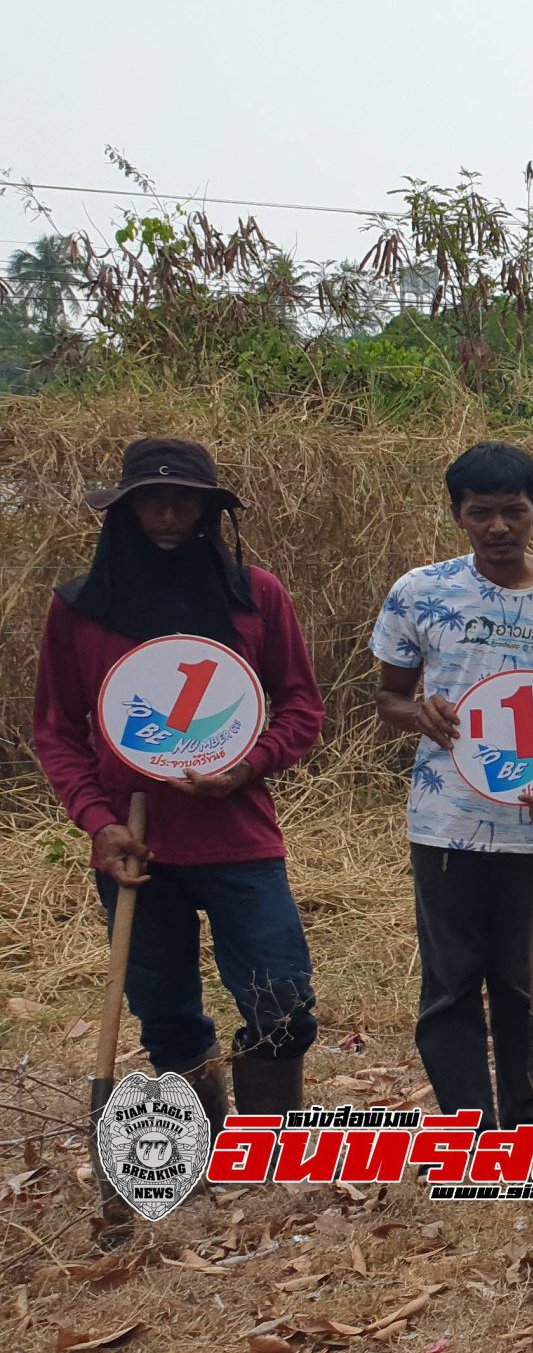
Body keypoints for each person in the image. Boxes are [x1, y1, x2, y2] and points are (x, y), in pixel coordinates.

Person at [33, 438, 324, 1120]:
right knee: (165, 1017)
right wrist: (98, 822)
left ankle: (260, 1138)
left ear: (207, 511)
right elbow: (57, 730)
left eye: (183, 501)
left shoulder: (256, 598)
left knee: (283, 1005)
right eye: (151, 502)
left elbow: (302, 705)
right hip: (135, 846)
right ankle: (200, 1138)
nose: (167, 515)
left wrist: (249, 764)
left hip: (240, 839)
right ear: (125, 511)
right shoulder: (80, 609)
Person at [371, 442, 533, 1129]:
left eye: (514, 511)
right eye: (482, 513)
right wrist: (416, 710)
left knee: (523, 975)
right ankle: (467, 1126)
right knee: (451, 982)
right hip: (445, 821)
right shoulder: (420, 591)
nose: (500, 528)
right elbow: (387, 697)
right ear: (458, 515)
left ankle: (531, 1118)